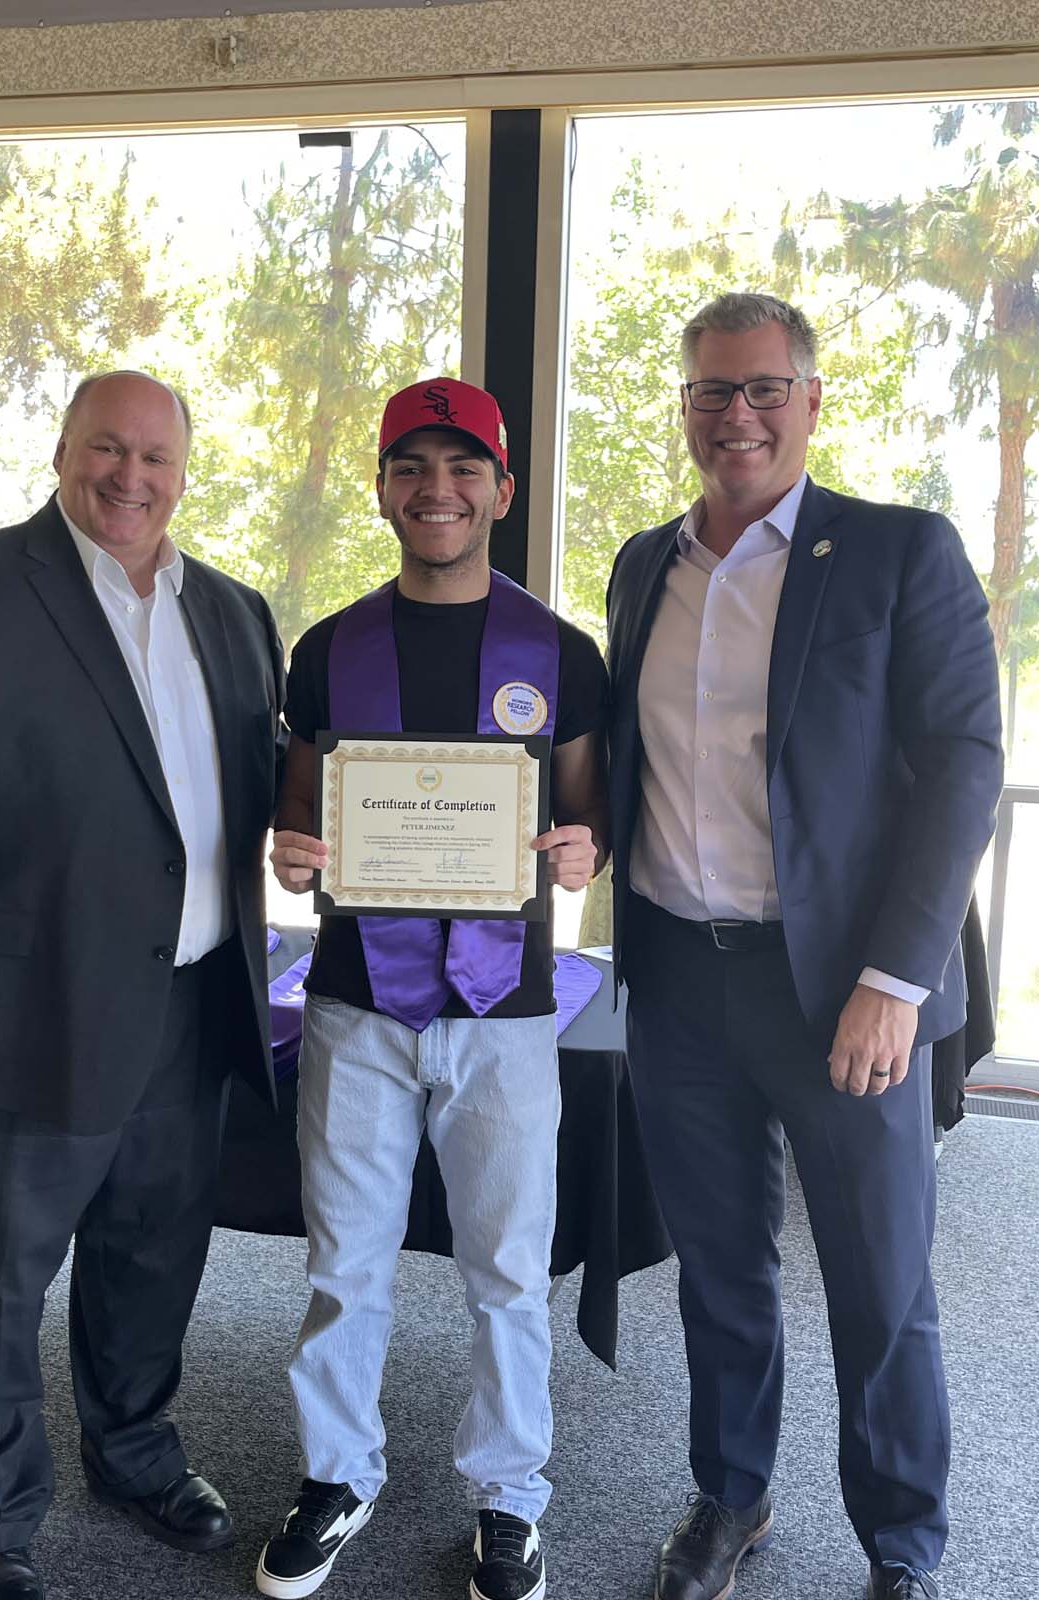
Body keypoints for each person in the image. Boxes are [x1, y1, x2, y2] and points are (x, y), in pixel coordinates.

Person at [0, 371, 286, 1600]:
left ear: (186, 471)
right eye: (108, 448)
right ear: (62, 450)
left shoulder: (235, 610)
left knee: (154, 1258)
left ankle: (136, 1452)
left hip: (193, 1006)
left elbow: (241, 797)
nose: (131, 476)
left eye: (157, 456)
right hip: (12, 1014)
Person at [604, 294, 1002, 1600]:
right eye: (714, 391)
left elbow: (960, 770)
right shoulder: (640, 567)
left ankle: (903, 1547)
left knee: (879, 1284)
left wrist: (898, 981)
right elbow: (627, 765)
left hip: (839, 991)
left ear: (813, 402)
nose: (740, 415)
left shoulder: (897, 554)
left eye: (766, 388)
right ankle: (732, 1499)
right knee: (720, 1269)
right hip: (675, 977)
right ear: (685, 410)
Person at [260, 377, 609, 1600]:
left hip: (504, 1008)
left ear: (503, 490)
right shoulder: (328, 649)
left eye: (464, 468)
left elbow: (584, 810)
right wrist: (290, 847)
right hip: (356, 999)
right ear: (382, 488)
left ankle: (510, 1496)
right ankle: (337, 1472)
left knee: (507, 1266)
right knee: (342, 1259)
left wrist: (585, 850)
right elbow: (301, 806)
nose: (438, 489)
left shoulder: (558, 651)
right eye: (412, 465)